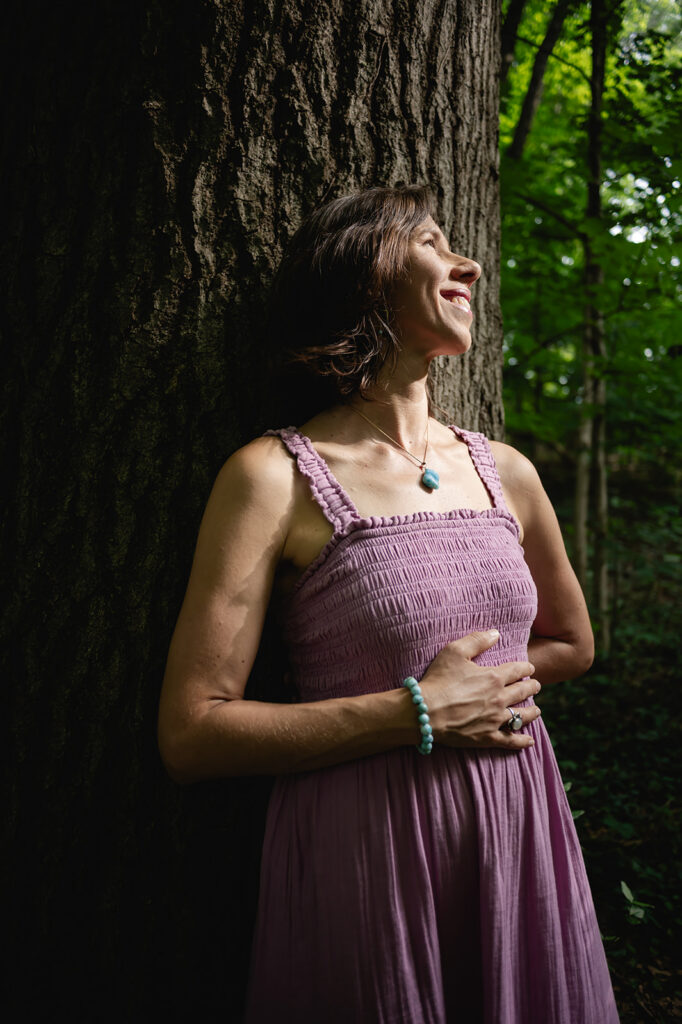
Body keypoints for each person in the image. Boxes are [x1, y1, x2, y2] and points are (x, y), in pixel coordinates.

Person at [158, 185, 619, 1023]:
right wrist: (418, 711)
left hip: (516, 837)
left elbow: (572, 643)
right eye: (433, 243)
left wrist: (484, 696)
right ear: (366, 276)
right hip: (369, 855)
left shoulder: (504, 471)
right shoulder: (273, 476)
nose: (467, 263)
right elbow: (192, 732)